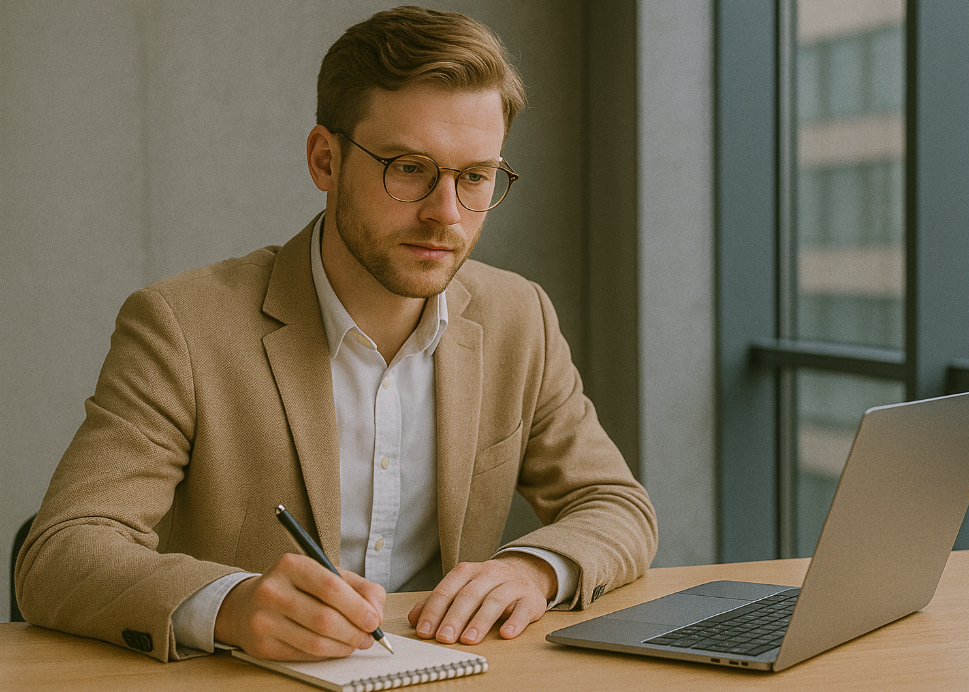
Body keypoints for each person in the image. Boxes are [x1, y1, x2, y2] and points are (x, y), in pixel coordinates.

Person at [15, 5, 657, 663]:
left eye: (475, 177)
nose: (446, 213)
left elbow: (615, 506)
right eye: (409, 168)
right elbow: (59, 554)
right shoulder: (182, 326)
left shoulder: (519, 317)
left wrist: (534, 569)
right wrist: (231, 606)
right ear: (326, 159)